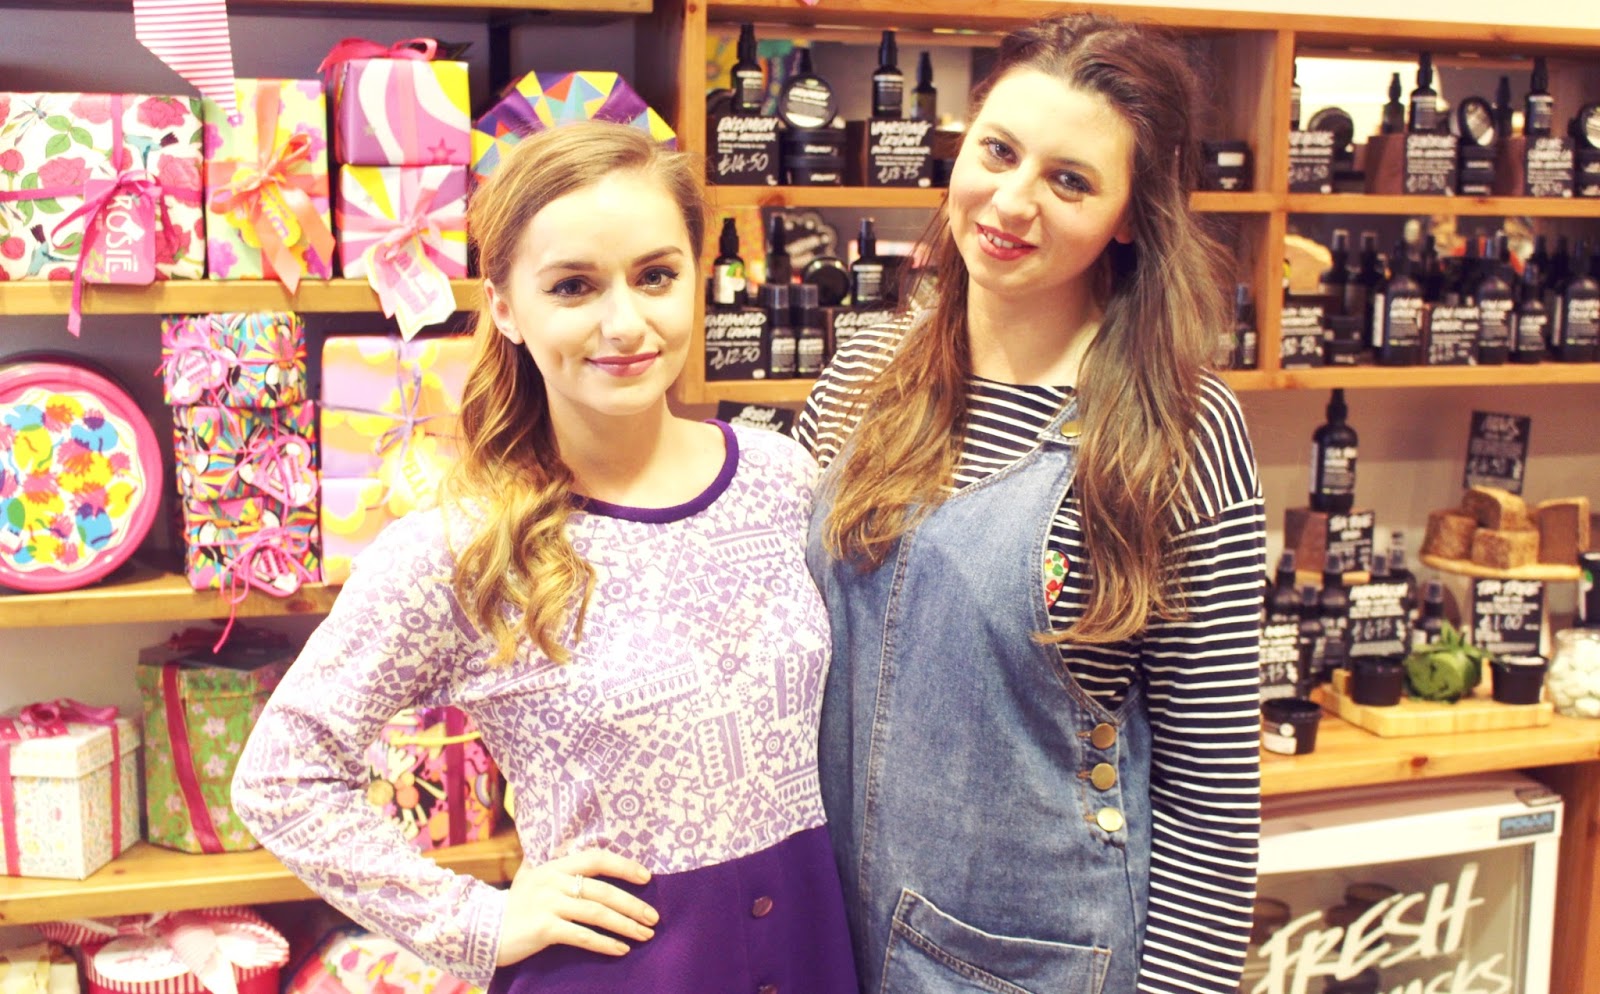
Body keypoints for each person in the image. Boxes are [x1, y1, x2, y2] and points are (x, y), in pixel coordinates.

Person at [233, 121, 857, 994]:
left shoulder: (781, 477)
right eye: (573, 286)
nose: (625, 323)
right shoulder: (464, 547)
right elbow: (283, 776)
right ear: (504, 307)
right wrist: (475, 921)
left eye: (656, 276)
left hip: (814, 955)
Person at [798, 14, 1265, 994]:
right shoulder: (862, 371)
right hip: (827, 939)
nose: (1012, 202)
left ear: (1130, 215)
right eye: (999, 152)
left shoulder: (1179, 429)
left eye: (1070, 181)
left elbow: (1211, 803)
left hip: (1035, 967)